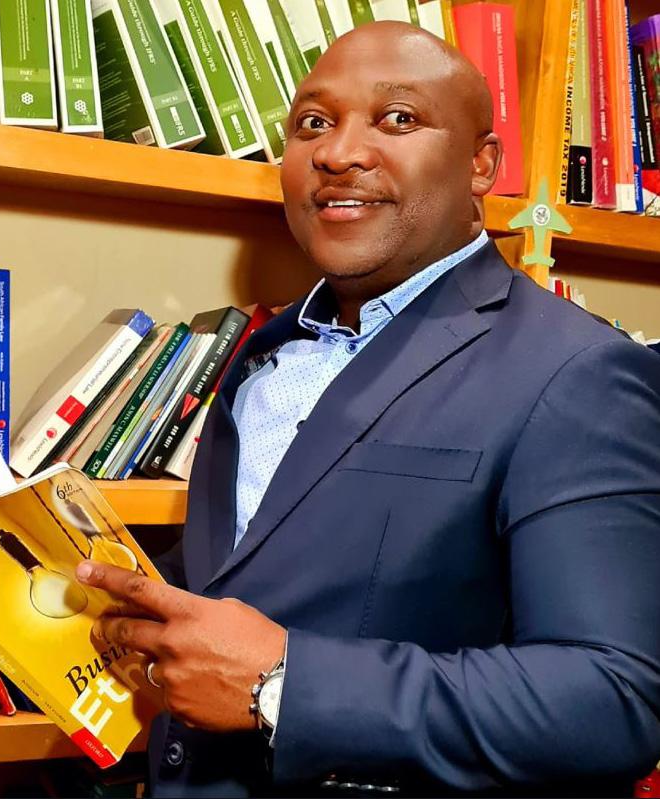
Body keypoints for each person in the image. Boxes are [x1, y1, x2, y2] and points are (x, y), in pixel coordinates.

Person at [75, 21, 660, 798]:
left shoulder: (579, 371)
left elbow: (612, 700)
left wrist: (285, 685)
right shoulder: (261, 357)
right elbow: (266, 571)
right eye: (313, 123)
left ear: (482, 164)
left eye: (399, 118)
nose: (338, 152)